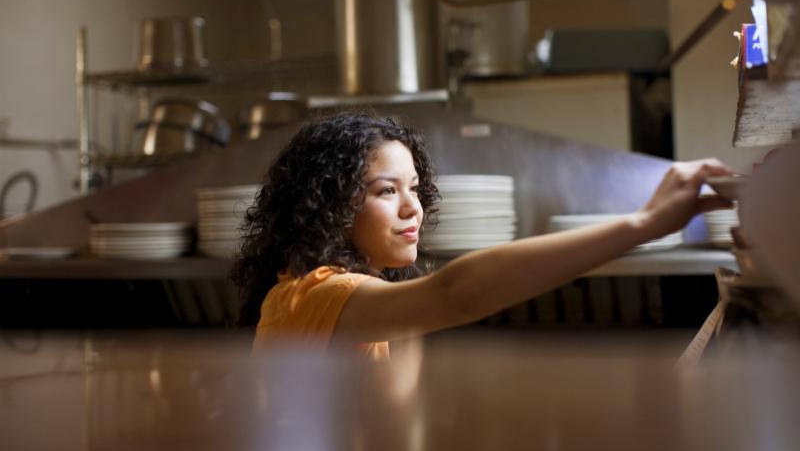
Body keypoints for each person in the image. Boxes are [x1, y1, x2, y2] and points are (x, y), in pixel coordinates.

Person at [231, 111, 732, 358]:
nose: (413, 208)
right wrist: (641, 225)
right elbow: (457, 292)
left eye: (415, 188)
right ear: (331, 204)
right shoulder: (310, 296)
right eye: (386, 191)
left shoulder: (365, 300)